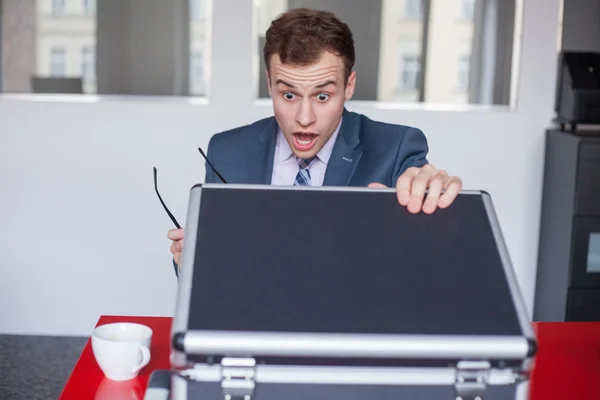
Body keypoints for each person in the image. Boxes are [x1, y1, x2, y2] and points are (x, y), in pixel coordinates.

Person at [168, 8, 462, 268]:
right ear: (270, 84)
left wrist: (432, 209)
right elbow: (213, 283)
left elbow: (424, 269)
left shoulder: (396, 150)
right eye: (288, 94)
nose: (304, 118)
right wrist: (194, 262)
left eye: (322, 96)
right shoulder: (226, 152)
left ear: (349, 86)